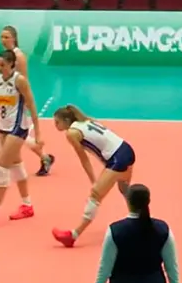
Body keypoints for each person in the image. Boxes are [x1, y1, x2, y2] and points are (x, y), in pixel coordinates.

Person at [0, 26, 55, 181]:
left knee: (5, 134)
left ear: (14, 38)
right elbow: (4, 75)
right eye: (1, 37)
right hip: (5, 100)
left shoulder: (19, 56)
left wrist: (23, 102)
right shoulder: (4, 56)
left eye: (6, 37)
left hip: (16, 102)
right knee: (11, 135)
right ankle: (44, 157)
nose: (3, 40)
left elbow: (23, 80)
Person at [51, 106, 136, 248]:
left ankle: (73, 235)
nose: (55, 126)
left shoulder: (72, 133)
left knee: (95, 195)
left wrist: (94, 182)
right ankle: (139, 221)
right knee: (124, 188)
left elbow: (84, 159)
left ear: (66, 121)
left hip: (118, 158)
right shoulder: (85, 121)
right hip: (125, 149)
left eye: (57, 123)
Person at [0, 50, 41, 228]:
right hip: (3, 128)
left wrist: (39, 132)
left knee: (2, 168)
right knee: (16, 166)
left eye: (3, 65)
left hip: (18, 128)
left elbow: (31, 104)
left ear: (12, 64)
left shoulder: (19, 80)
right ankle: (27, 205)